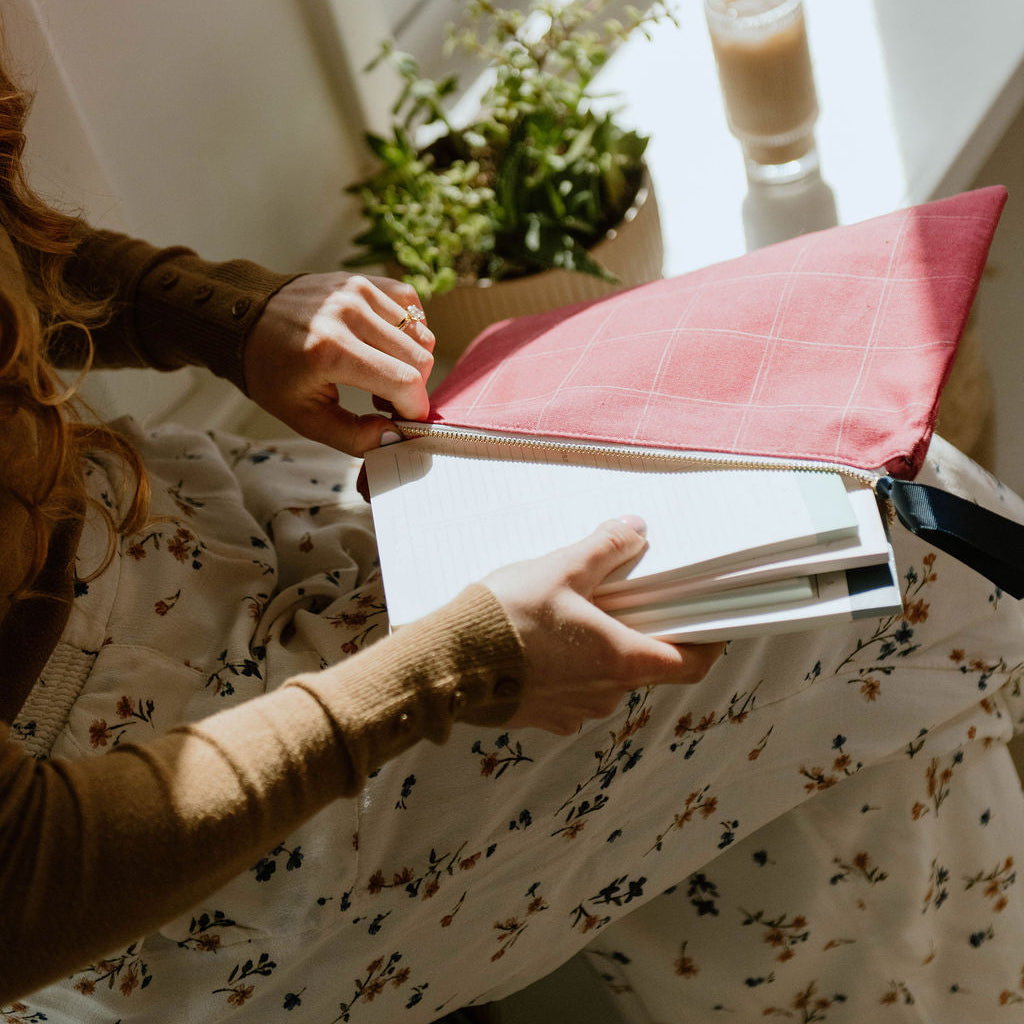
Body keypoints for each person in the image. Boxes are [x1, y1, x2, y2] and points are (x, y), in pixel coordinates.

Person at [3, 40, 1024, 1024]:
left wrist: (228, 314)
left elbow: (16, 242)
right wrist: (457, 665)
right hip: (165, 837)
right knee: (883, 533)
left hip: (187, 521)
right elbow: (23, 882)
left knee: (773, 748)